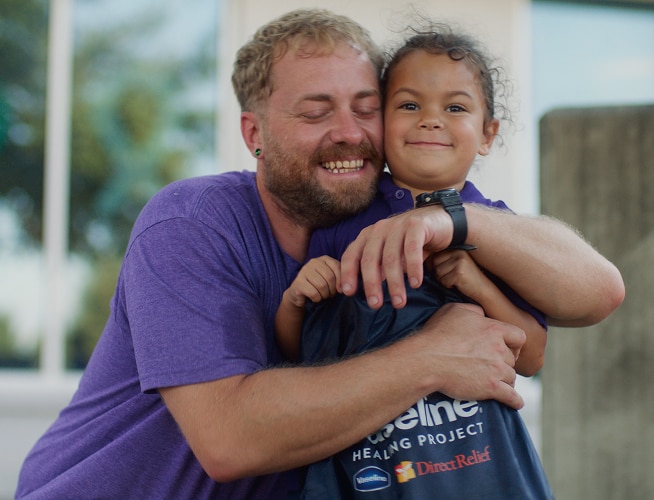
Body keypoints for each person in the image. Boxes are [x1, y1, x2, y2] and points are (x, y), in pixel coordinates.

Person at [16, 9, 624, 499]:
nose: (349, 132)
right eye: (316, 111)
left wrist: (455, 221)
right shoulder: (192, 224)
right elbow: (230, 440)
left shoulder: (417, 223)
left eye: (365, 107)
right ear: (254, 134)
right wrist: (435, 357)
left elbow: (598, 292)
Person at [275, 25, 552, 498]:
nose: (430, 119)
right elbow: (299, 354)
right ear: (380, 123)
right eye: (409, 105)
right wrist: (296, 300)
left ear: (488, 134)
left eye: (455, 107)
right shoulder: (343, 222)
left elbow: (531, 356)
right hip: (372, 468)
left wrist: (476, 284)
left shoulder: (499, 230)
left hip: (476, 464)